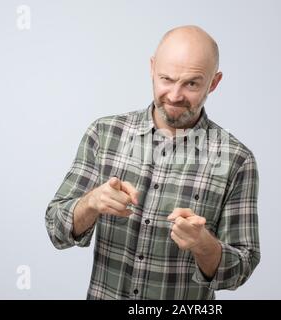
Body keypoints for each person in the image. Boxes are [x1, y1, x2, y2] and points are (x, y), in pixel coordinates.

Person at [45, 25, 260, 300]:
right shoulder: (105, 134)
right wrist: (90, 203)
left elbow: (241, 268)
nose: (174, 95)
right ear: (152, 68)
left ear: (214, 83)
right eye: (166, 79)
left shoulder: (236, 160)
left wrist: (204, 245)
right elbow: (56, 229)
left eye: (192, 83)